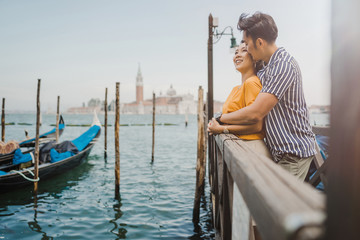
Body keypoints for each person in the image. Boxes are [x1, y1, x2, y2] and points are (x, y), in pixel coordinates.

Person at [218, 12, 316, 181]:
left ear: (260, 42)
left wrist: (221, 120)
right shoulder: (267, 67)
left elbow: (255, 113)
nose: (246, 49)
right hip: (281, 151)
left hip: (293, 153)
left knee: (279, 204)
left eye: (247, 44)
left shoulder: (282, 66)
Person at [207, 42, 272, 159]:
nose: (237, 55)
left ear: (254, 58)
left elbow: (257, 126)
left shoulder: (252, 83)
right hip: (241, 148)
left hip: (253, 149)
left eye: (244, 50)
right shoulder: (236, 89)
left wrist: (222, 129)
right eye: (236, 52)